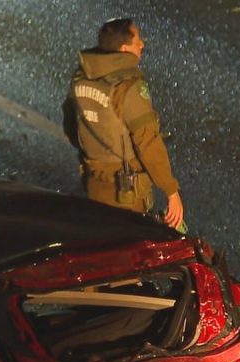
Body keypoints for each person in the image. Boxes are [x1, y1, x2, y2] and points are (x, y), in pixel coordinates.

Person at [63, 18, 185, 231]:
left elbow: (71, 127)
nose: (142, 44)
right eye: (138, 40)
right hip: (126, 193)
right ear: (124, 49)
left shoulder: (81, 78)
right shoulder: (126, 86)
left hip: (94, 183)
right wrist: (171, 191)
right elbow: (147, 142)